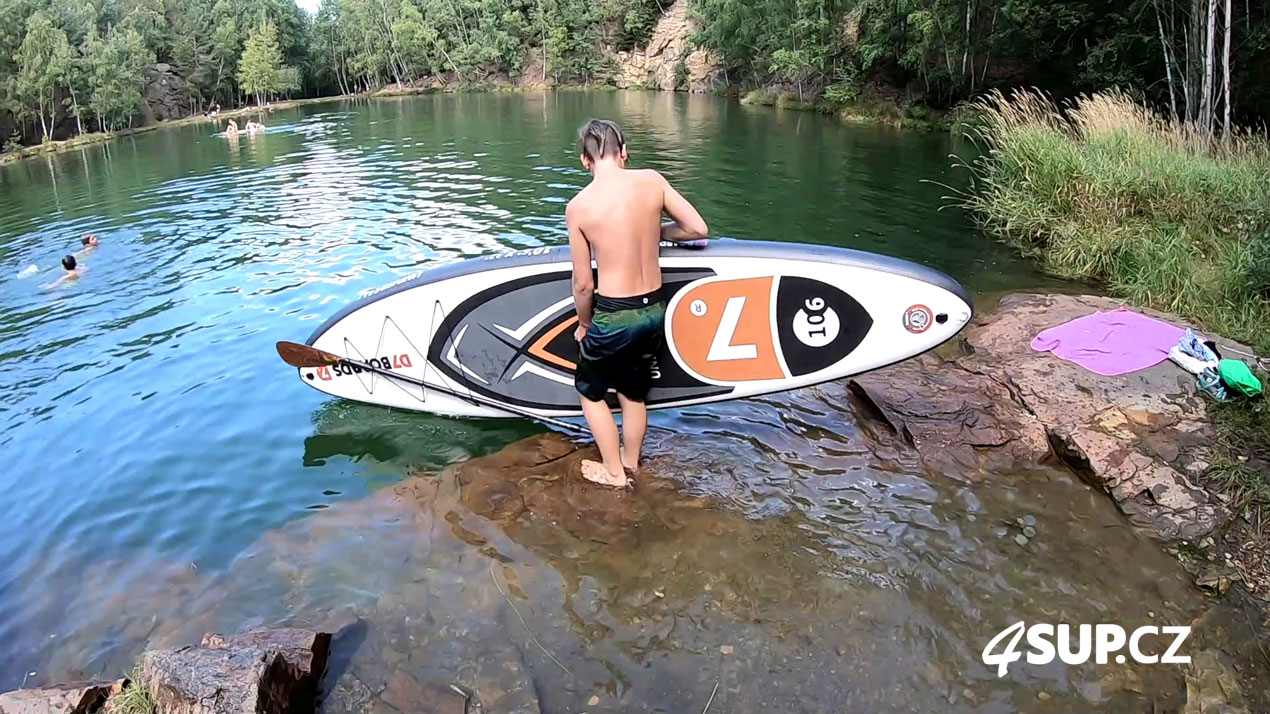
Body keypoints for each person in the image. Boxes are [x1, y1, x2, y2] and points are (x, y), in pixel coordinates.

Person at [566, 119, 709, 487]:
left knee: (590, 392)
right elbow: (698, 229)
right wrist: (656, 231)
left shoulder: (579, 207)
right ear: (625, 153)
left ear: (585, 160)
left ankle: (613, 472)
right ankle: (631, 463)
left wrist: (584, 324)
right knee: (632, 393)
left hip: (616, 315)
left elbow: (583, 283)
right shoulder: (652, 181)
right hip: (655, 310)